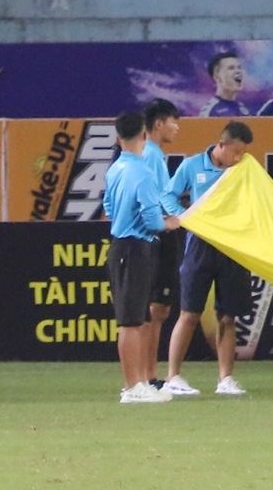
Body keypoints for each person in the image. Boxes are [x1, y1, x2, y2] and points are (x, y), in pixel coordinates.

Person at [160, 121, 255, 397]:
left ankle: (225, 379)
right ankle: (173, 377)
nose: (237, 159)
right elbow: (167, 194)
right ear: (221, 144)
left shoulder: (243, 169)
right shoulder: (192, 166)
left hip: (231, 245)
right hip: (199, 245)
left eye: (242, 154)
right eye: (234, 152)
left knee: (227, 316)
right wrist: (183, 217)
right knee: (189, 313)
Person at [101, 110, 171, 404]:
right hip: (136, 247)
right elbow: (153, 219)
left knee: (138, 318)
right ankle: (132, 387)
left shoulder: (115, 169)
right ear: (144, 135)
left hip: (120, 244)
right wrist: (171, 223)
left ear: (118, 138)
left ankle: (140, 383)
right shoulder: (142, 171)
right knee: (131, 322)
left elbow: (108, 207)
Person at [140, 99, 183, 359]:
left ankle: (149, 376)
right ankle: (147, 376)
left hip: (159, 235)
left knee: (160, 309)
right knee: (155, 309)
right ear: (159, 124)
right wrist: (168, 219)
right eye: (173, 121)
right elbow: (148, 198)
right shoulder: (150, 156)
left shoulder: (154, 154)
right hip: (156, 237)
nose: (176, 127)